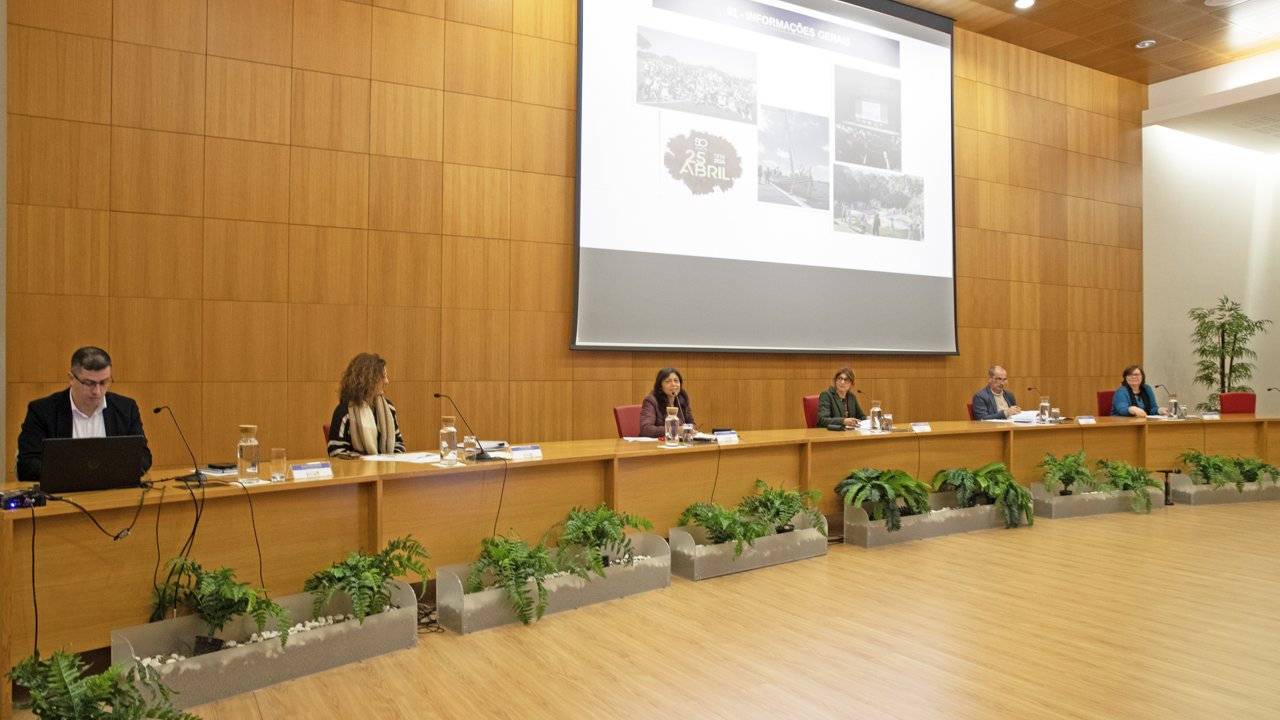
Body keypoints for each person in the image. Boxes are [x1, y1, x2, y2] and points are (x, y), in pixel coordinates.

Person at [16, 346, 152, 482]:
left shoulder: (126, 408)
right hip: (63, 494)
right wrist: (77, 476)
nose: (97, 391)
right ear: (71, 378)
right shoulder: (43, 411)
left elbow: (143, 456)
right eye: (89, 383)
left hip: (112, 493)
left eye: (104, 382)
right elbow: (28, 464)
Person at [328, 353, 406, 458]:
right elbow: (336, 453)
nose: (387, 381)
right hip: (357, 473)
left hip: (387, 471)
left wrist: (387, 462)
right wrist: (369, 462)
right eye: (383, 377)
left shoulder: (389, 408)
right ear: (367, 380)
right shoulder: (344, 412)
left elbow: (399, 444)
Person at [639, 367, 695, 438]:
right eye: (668, 381)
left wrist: (690, 430)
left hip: (678, 443)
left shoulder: (682, 399)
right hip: (655, 445)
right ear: (660, 385)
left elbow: (692, 424)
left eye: (676, 381)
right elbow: (646, 429)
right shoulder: (651, 401)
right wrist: (674, 430)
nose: (673, 384)